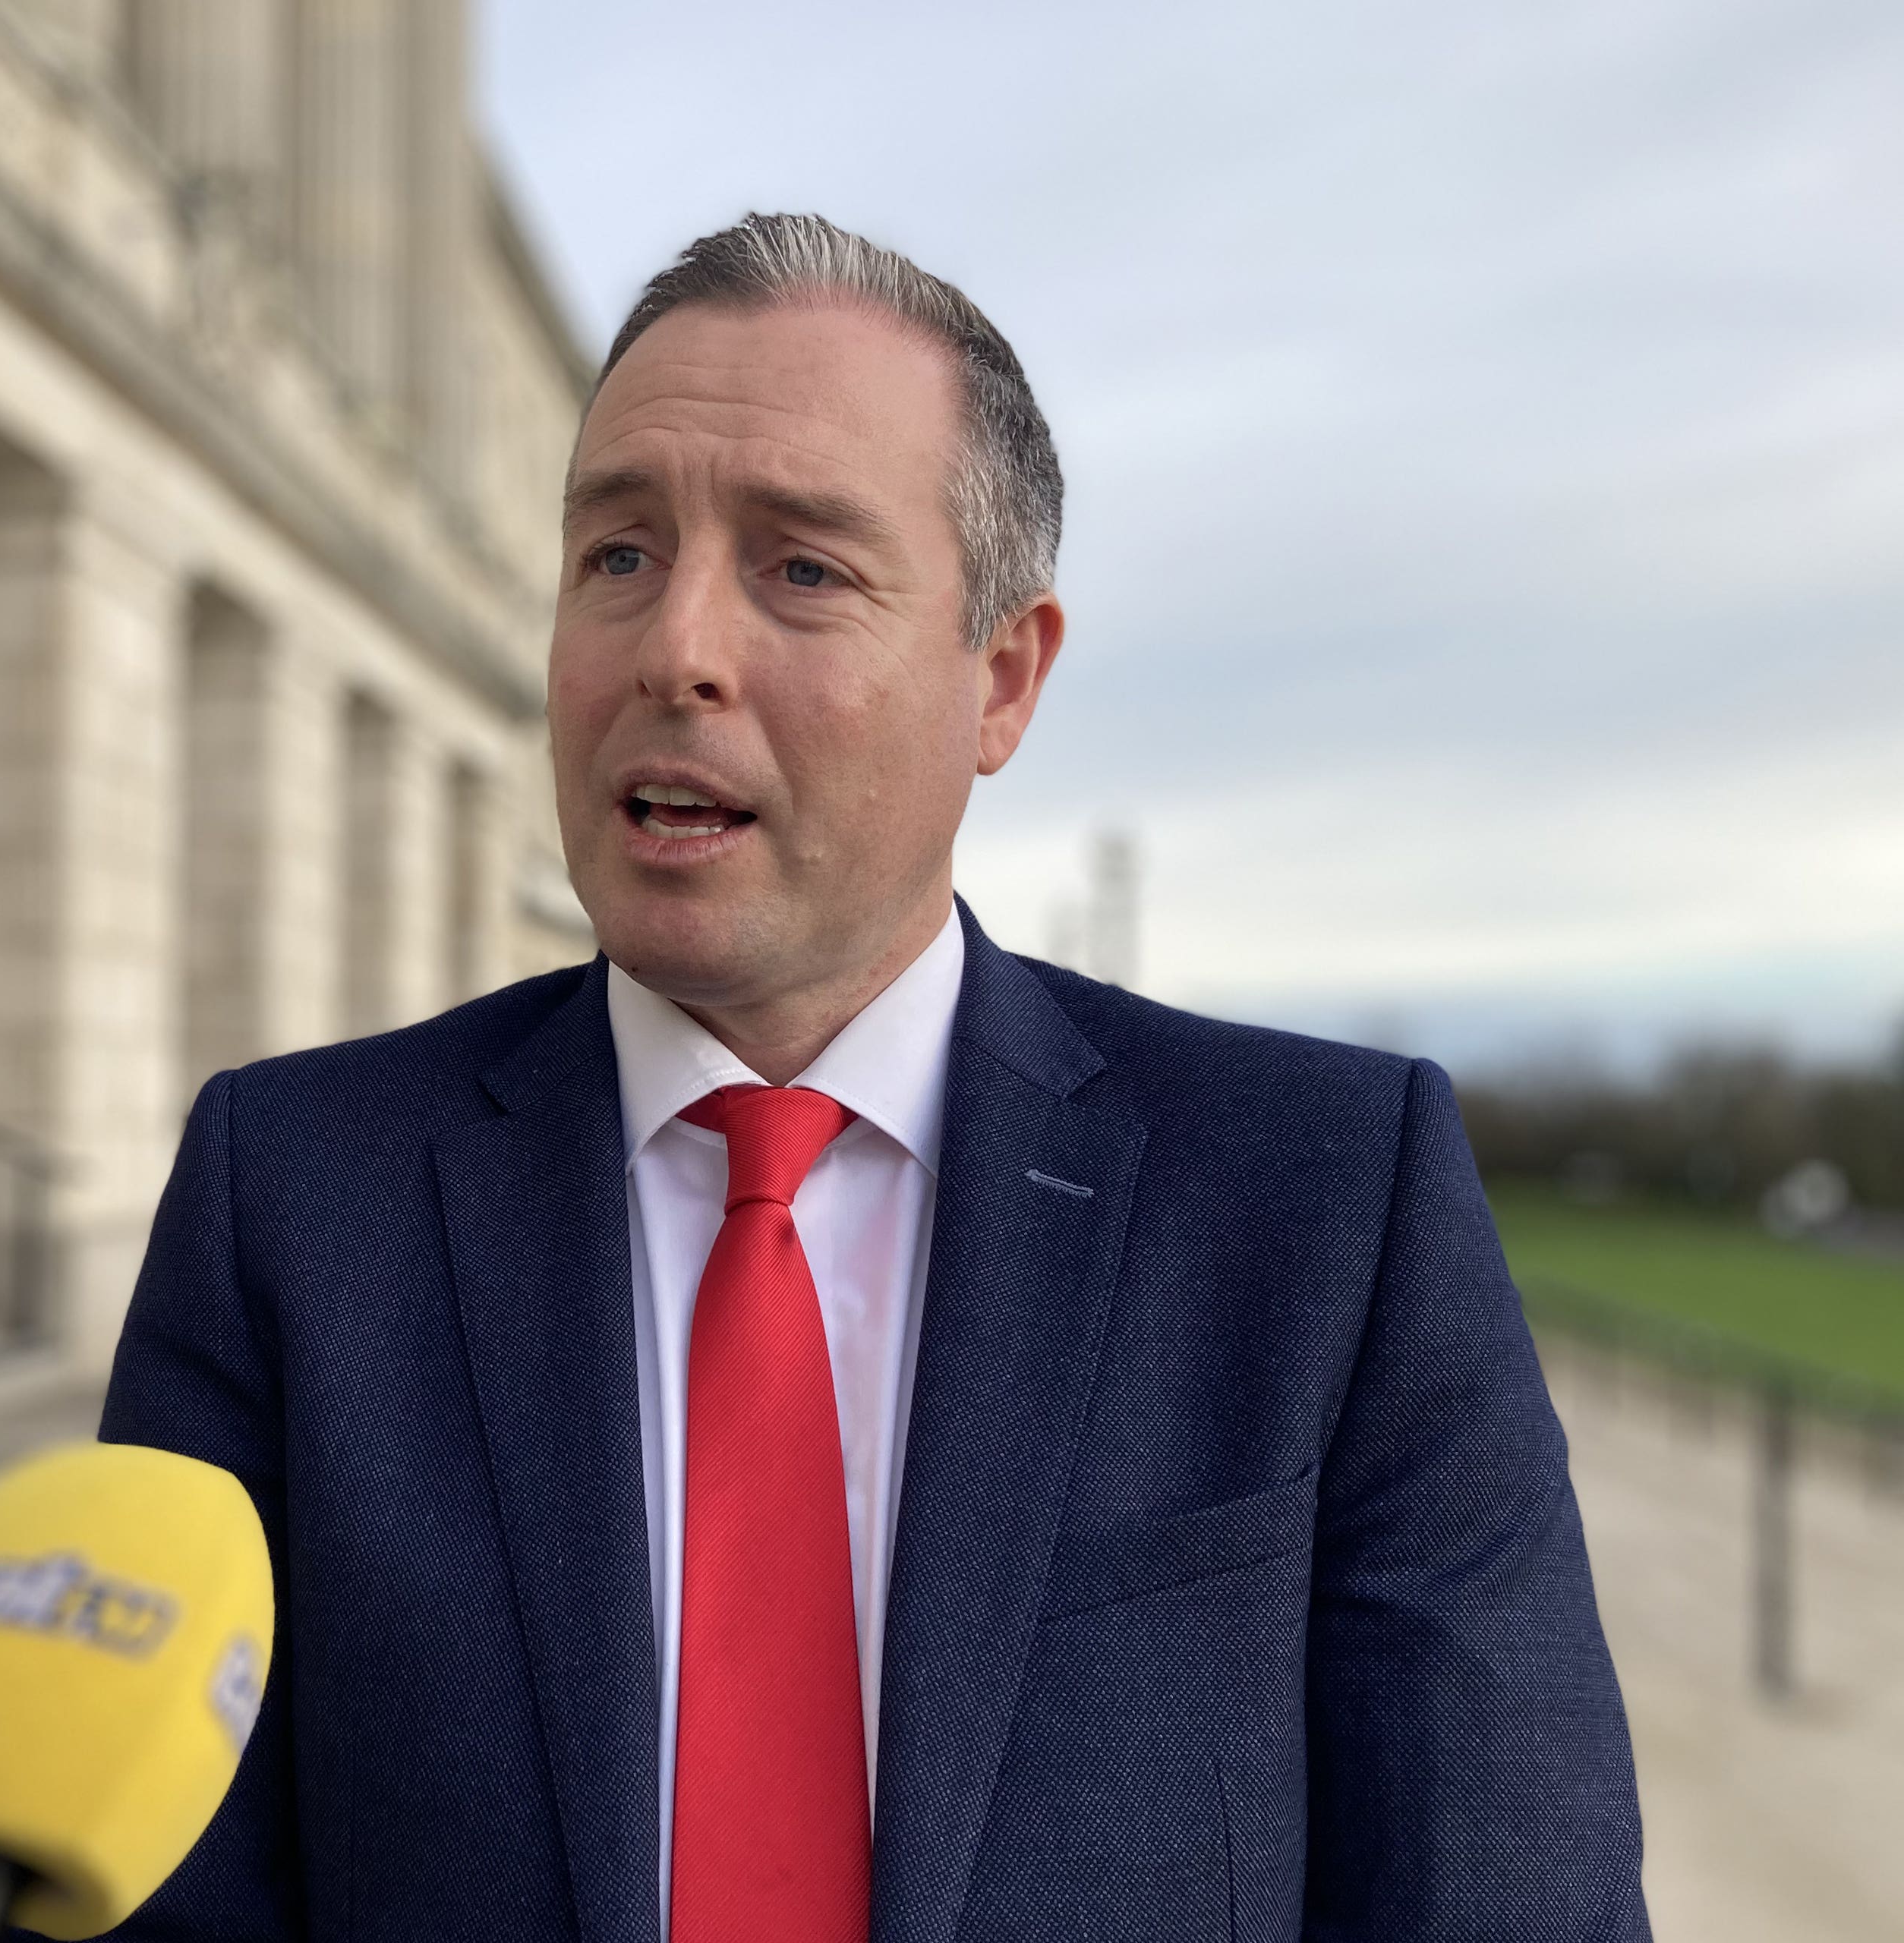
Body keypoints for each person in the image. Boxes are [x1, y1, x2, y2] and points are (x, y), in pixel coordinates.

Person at [84, 214, 1648, 1941]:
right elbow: (155, 1882)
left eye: (800, 568)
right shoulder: (292, 1190)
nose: (673, 646)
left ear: (1002, 676)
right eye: (616, 552)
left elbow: (1513, 1897)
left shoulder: (1329, 1201)